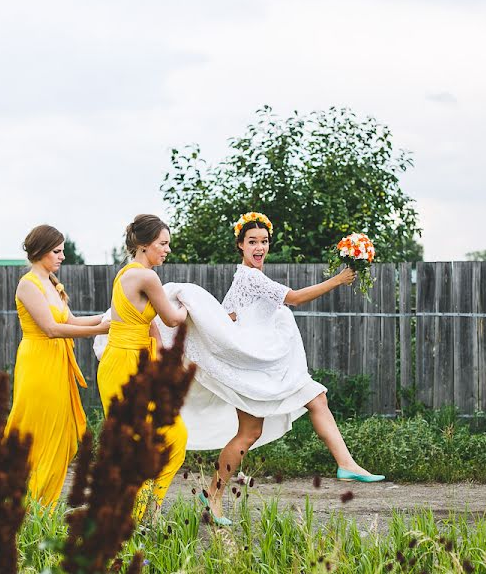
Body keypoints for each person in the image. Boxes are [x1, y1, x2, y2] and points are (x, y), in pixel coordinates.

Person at [155, 212, 387, 524]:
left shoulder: (244, 279)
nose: (259, 246)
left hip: (264, 362)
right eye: (252, 241)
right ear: (240, 245)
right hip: (256, 364)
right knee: (255, 430)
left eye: (264, 241)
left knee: (305, 404)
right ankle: (215, 495)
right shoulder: (251, 277)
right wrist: (338, 280)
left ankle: (345, 464)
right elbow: (295, 298)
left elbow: (227, 317)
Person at [4, 224, 109, 505]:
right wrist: (102, 330)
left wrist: (109, 318)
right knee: (39, 427)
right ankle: (25, 496)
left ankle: (43, 503)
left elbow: (71, 321)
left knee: (60, 431)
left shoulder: (51, 282)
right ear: (40, 251)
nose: (63, 256)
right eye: (57, 251)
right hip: (38, 362)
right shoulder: (28, 284)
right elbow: (51, 328)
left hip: (59, 363)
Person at [96, 214, 189, 520]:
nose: (167, 250)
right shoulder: (146, 277)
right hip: (124, 363)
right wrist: (192, 305)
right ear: (144, 244)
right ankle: (137, 513)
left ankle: (146, 507)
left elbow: (146, 324)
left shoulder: (126, 274)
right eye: (163, 244)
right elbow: (173, 318)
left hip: (133, 360)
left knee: (170, 434)